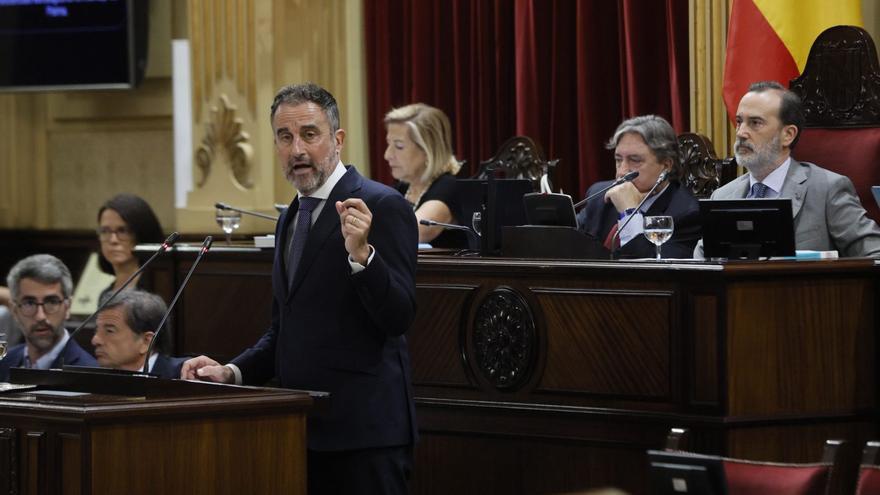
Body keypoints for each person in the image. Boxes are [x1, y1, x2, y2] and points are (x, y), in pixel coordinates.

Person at [181, 82, 419, 494]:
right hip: (300, 431)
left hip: (365, 439)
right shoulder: (292, 215)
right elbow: (285, 331)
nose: (297, 150)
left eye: (310, 134)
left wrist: (363, 257)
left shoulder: (381, 206)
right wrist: (232, 372)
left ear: (338, 140)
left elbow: (399, 316)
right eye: (285, 137)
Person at [695, 81, 880, 258]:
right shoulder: (722, 196)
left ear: (788, 135)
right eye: (739, 121)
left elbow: (874, 255)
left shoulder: (827, 190)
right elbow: (702, 266)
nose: (741, 132)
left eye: (755, 123)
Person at [576, 115, 701, 258]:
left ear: (666, 166)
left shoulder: (687, 214)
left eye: (634, 160)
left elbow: (651, 273)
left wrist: (629, 212)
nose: (622, 171)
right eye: (618, 160)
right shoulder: (600, 195)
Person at [0, 254, 97, 380]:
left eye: (51, 302)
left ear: (68, 307)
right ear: (14, 310)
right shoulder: (3, 364)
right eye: (29, 303)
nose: (40, 316)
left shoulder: (90, 375)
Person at [385, 103, 465, 248]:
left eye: (399, 146)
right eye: (388, 144)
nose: (387, 155)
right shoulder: (402, 188)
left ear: (428, 150)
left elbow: (412, 233)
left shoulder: (449, 188)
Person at [92, 290, 185, 379]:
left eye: (109, 331)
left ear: (146, 342)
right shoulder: (95, 379)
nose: (95, 340)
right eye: (97, 329)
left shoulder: (184, 375)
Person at [96, 194, 164, 304]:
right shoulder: (105, 295)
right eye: (105, 231)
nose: (113, 240)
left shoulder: (157, 291)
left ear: (141, 234)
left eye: (123, 231)